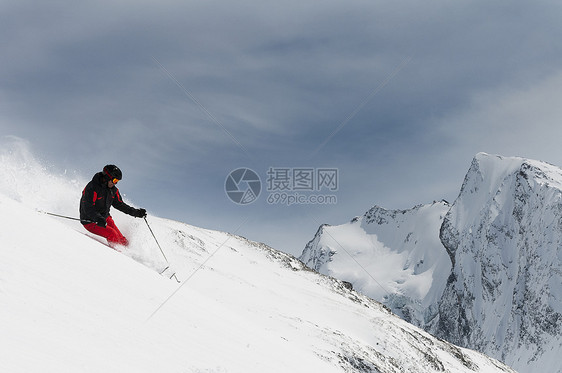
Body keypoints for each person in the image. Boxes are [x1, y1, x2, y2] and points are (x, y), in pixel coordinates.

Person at [80, 165, 147, 247]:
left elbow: (120, 205)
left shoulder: (113, 190)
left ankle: (131, 255)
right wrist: (98, 218)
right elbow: (87, 207)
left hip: (104, 217)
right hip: (90, 220)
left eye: (117, 181)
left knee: (122, 240)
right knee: (112, 234)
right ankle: (119, 256)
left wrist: (136, 212)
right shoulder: (92, 187)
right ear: (107, 177)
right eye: (115, 180)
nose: (115, 183)